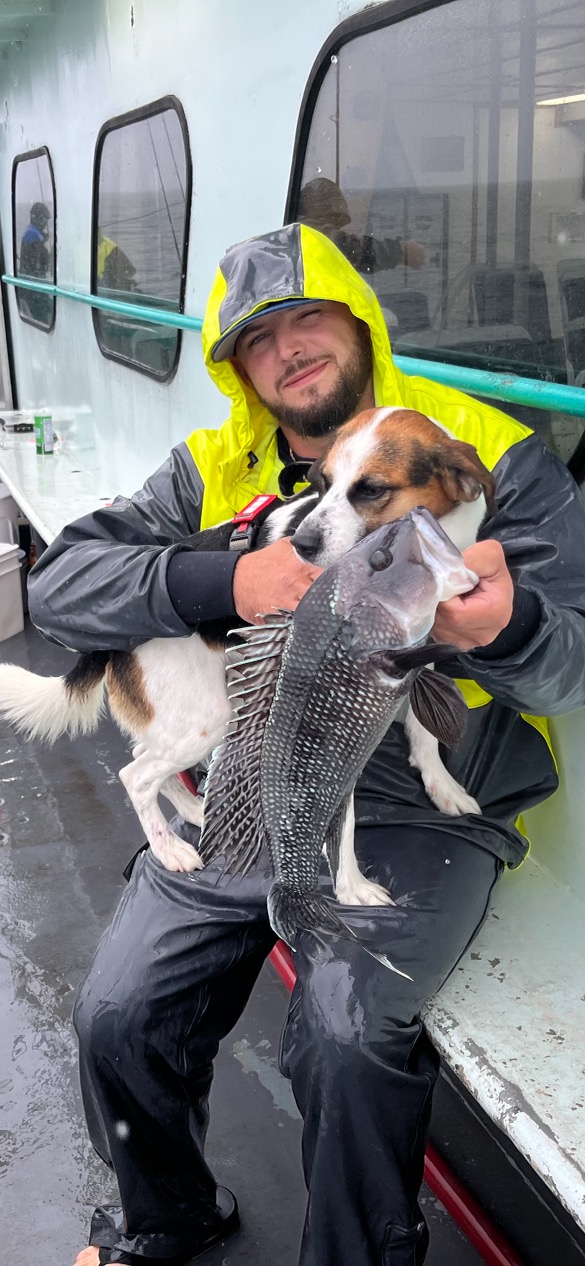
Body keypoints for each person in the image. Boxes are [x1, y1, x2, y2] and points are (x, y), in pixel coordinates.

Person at [28, 223, 585, 1266]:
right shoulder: (212, 464)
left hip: (428, 796)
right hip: (258, 764)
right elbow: (61, 582)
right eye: (258, 338)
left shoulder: (486, 454)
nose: (290, 350)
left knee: (342, 1035)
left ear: (356, 319)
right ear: (236, 366)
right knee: (116, 1008)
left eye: (309, 319)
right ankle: (168, 1215)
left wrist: (500, 631)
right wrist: (219, 579)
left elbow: (574, 661)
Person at [297, 175, 426, 273]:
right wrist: (399, 252)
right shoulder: (307, 233)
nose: (336, 227)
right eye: (334, 218)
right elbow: (344, 247)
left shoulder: (297, 232)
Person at [19, 200, 52, 323]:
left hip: (31, 288)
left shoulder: (31, 232)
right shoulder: (32, 236)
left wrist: (44, 238)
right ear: (39, 218)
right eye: (45, 220)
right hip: (34, 291)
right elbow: (38, 263)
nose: (45, 224)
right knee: (42, 318)